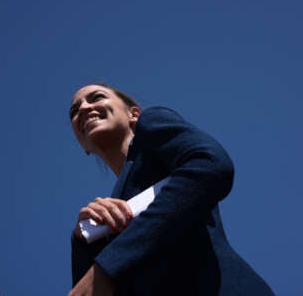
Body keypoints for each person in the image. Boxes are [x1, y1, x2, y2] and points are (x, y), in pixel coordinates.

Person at [68, 84, 274, 296]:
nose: (83, 108)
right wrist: (83, 242)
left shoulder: (150, 125)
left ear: (134, 114)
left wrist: (108, 266)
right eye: (74, 111)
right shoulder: (107, 215)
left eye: (97, 97)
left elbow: (209, 165)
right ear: (84, 146)